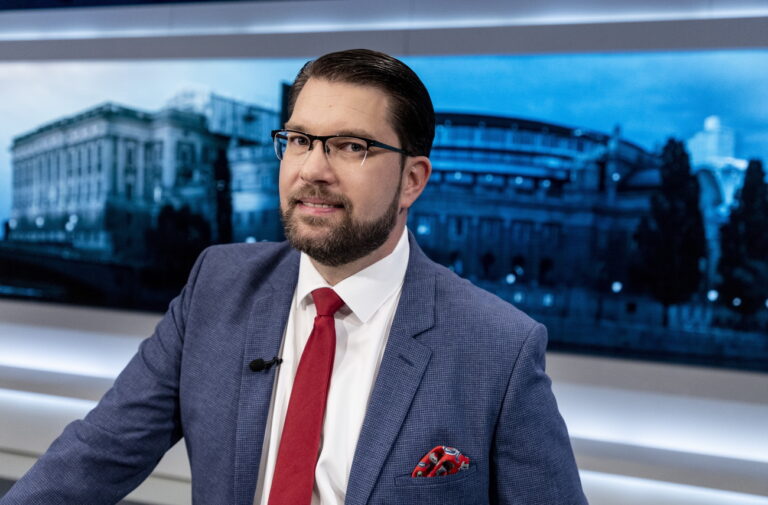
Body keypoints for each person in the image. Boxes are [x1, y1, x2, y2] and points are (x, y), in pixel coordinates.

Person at [2, 49, 588, 505]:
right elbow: (96, 455)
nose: (312, 170)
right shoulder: (216, 286)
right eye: (301, 140)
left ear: (412, 180)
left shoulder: (499, 349)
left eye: (350, 147)